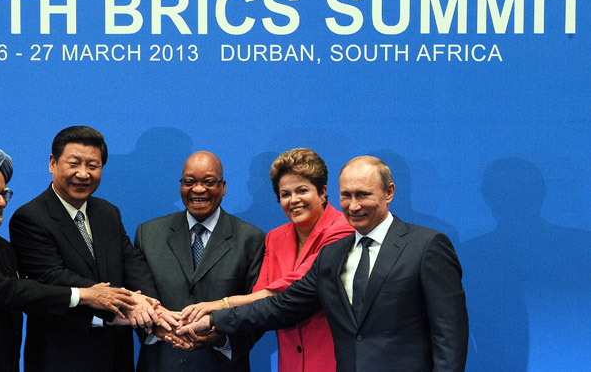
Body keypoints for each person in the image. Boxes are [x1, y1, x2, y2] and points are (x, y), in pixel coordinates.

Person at [179, 155, 469, 372]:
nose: (353, 206)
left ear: (389, 192)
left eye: (363, 195)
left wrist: (219, 307)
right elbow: (281, 305)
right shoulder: (334, 255)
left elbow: (449, 335)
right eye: (347, 196)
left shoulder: (427, 246)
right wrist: (214, 320)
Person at [0, 149, 138, 372]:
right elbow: (7, 290)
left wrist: (105, 318)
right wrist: (84, 294)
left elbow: (37, 292)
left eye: (5, 193)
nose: (2, 202)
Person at [181, 148, 354, 371]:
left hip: (333, 362)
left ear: (322, 192)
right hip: (289, 363)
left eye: (302, 190)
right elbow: (260, 298)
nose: (294, 200)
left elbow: (292, 291)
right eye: (285, 194)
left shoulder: (343, 232)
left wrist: (217, 307)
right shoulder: (275, 238)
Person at [9, 126, 162, 372]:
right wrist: (129, 303)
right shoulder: (30, 217)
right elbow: (53, 277)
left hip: (115, 356)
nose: (83, 174)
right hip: (63, 355)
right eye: (74, 163)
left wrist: (150, 303)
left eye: (93, 166)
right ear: (52, 163)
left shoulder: (108, 212)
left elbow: (131, 261)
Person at [133, 151, 266, 372]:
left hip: (221, 365)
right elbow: (137, 297)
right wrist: (156, 330)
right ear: (181, 186)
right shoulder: (148, 234)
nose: (198, 189)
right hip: (161, 363)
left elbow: (258, 310)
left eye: (209, 182)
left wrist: (221, 339)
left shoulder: (251, 239)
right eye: (189, 182)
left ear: (223, 187)